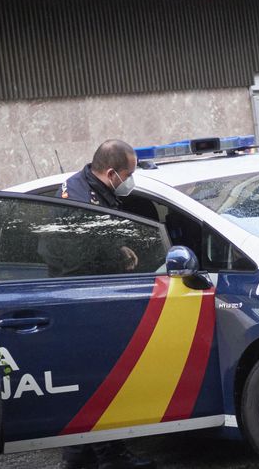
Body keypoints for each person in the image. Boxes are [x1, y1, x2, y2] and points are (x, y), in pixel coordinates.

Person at [54, 139, 155, 469]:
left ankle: (82, 459)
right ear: (112, 172)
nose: (132, 180)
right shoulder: (79, 198)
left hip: (93, 298)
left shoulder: (93, 187)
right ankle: (110, 458)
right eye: (130, 174)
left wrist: (120, 249)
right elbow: (82, 248)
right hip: (82, 302)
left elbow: (103, 235)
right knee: (98, 384)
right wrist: (116, 254)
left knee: (95, 385)